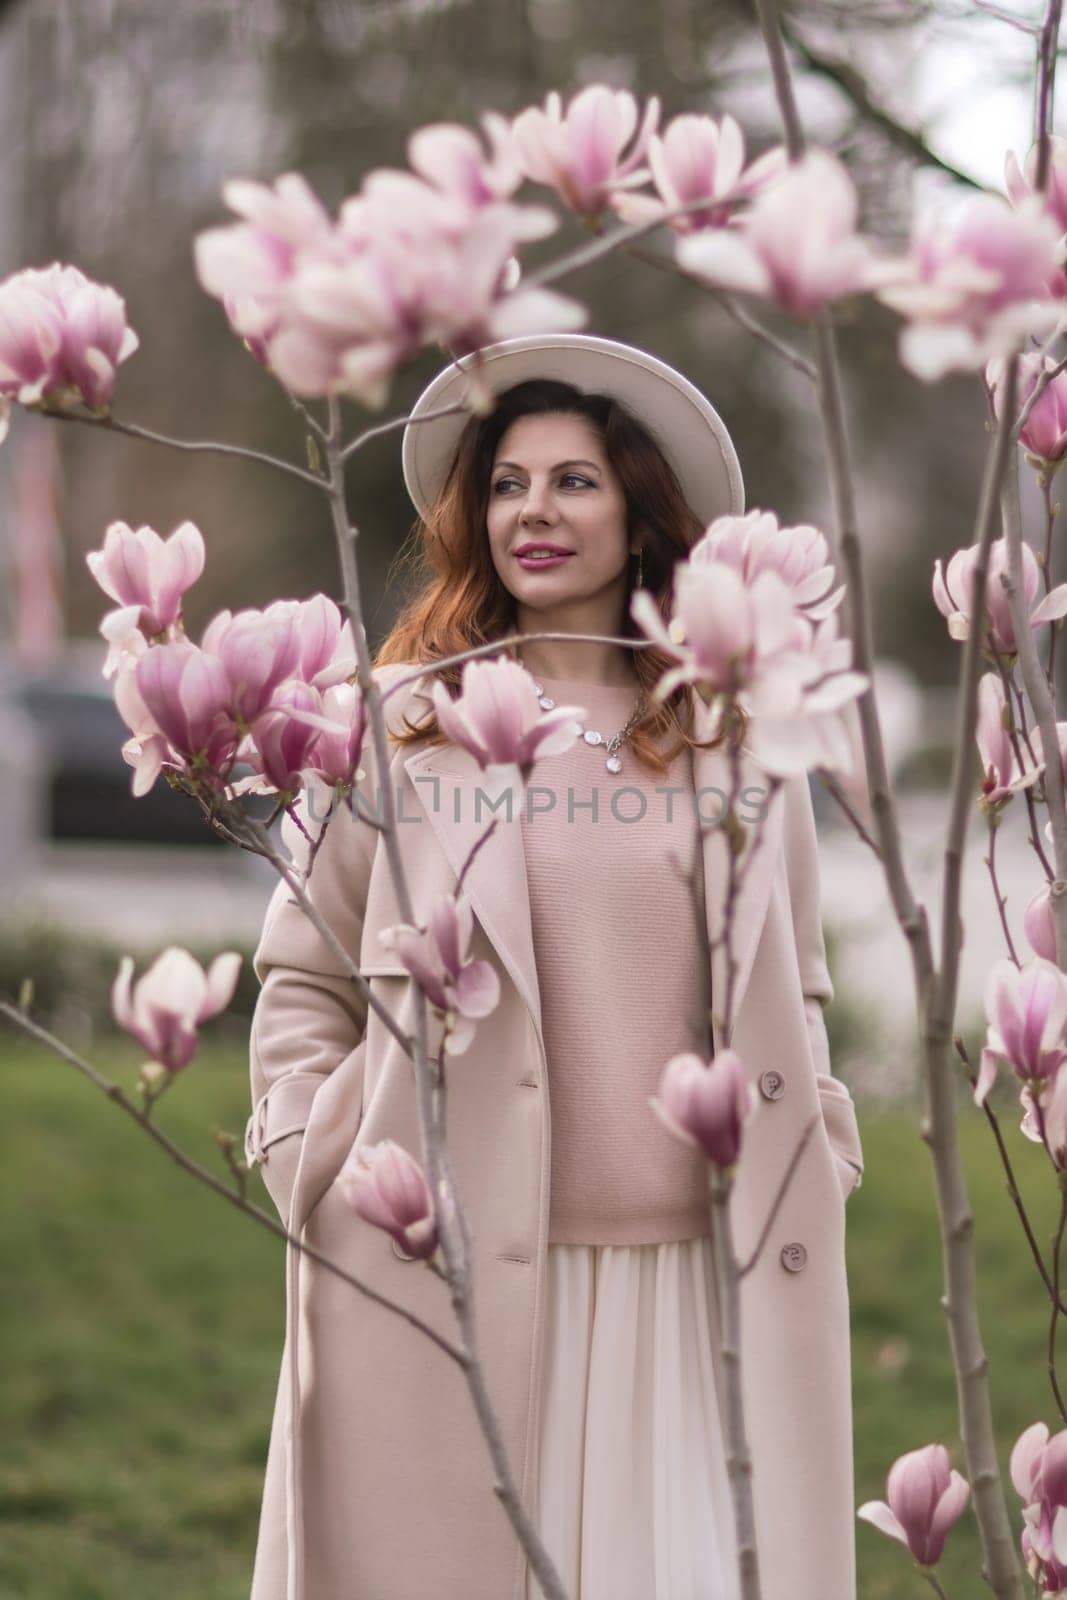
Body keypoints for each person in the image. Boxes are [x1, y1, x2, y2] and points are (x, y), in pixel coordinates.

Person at [245, 333, 865, 1600]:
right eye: (508, 482)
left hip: (695, 1291)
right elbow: (303, 978)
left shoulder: (735, 729)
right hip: (450, 1267)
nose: (534, 510)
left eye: (573, 480)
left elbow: (793, 992)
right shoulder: (402, 723)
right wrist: (304, 1149)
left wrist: (824, 1153)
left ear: (639, 511)